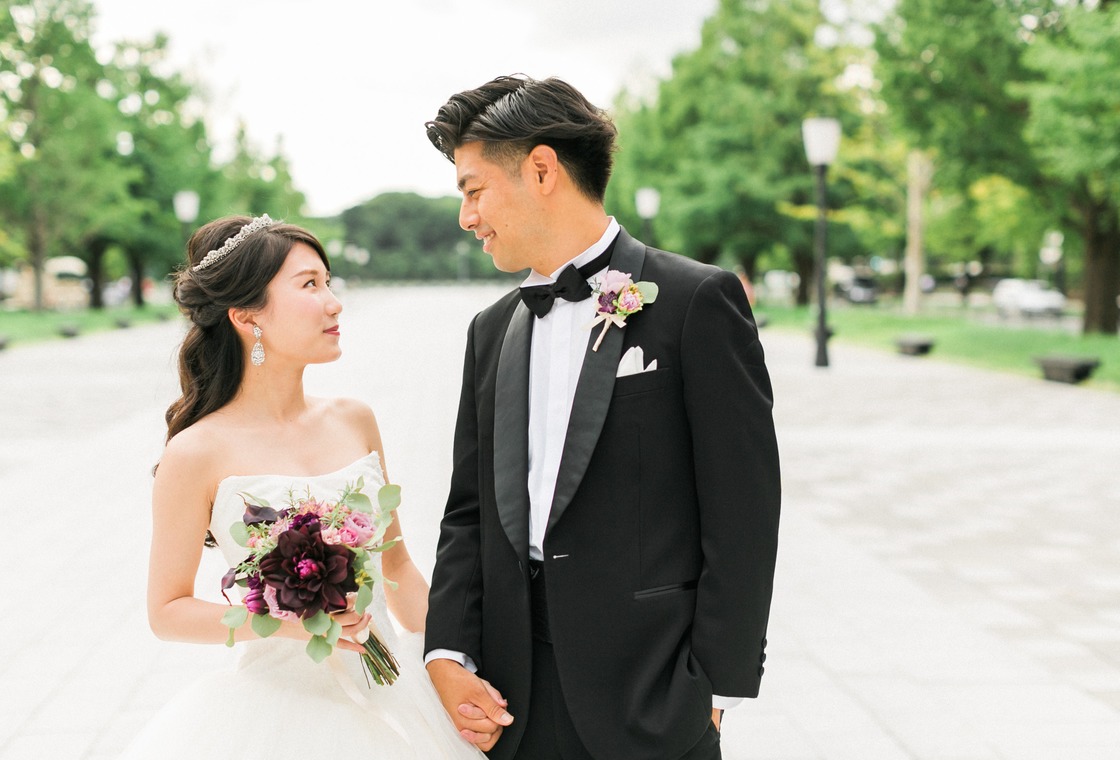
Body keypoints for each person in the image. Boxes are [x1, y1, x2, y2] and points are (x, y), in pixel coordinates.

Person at [422, 76, 781, 760]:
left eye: (473, 190)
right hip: (511, 702)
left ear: (542, 169)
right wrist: (448, 651)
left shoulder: (695, 301)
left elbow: (744, 509)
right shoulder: (490, 330)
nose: (466, 217)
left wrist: (714, 687)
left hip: (652, 700)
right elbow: (467, 514)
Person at [120, 215, 484, 759]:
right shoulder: (195, 453)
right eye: (310, 285)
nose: (334, 302)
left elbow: (398, 568)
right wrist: (289, 623)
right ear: (246, 316)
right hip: (278, 711)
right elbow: (166, 611)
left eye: (329, 281)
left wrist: (448, 666)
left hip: (391, 690)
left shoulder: (354, 419)